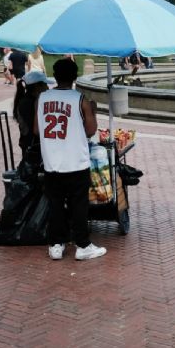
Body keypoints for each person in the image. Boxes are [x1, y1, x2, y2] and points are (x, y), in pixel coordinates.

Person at [36, 58, 106, 261]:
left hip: (51, 162)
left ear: (54, 75)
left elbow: (35, 129)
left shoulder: (42, 98)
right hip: (76, 161)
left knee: (55, 204)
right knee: (79, 205)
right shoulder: (80, 99)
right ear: (75, 77)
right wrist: (92, 111)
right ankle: (82, 245)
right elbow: (91, 130)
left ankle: (56, 245)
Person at [13, 70, 52, 157]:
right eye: (45, 84)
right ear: (37, 86)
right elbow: (35, 129)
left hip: (31, 145)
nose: (48, 87)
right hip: (32, 147)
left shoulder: (28, 100)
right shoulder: (29, 103)